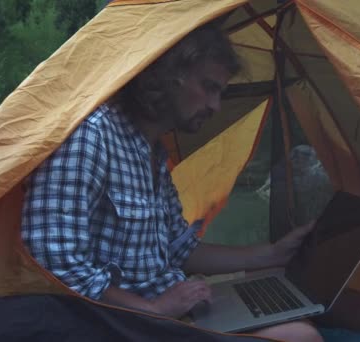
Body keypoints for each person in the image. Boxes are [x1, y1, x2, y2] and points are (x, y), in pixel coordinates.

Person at [20, 22, 322, 342]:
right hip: (121, 326)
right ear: (167, 76)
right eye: (209, 87)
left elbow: (180, 249)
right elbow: (54, 265)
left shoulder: (152, 153)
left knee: (307, 307)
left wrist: (270, 255)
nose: (215, 106)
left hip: (169, 313)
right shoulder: (90, 138)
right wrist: (156, 311)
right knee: (301, 337)